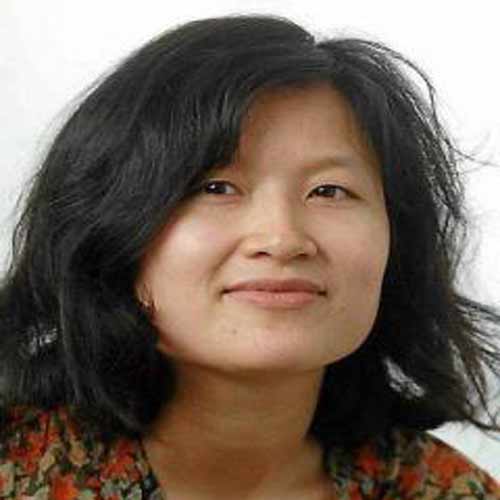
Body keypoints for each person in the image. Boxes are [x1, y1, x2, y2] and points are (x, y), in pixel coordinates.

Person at [0, 13, 499, 500]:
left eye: (329, 190)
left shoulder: (443, 488)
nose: (281, 239)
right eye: (216, 187)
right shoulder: (16, 470)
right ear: (109, 229)